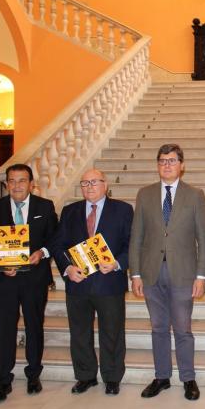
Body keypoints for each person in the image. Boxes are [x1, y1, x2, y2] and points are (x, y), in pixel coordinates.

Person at [129, 144, 205, 401]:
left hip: (184, 274)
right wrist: (135, 274)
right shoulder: (144, 194)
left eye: (172, 160)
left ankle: (188, 378)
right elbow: (136, 237)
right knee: (158, 328)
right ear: (157, 165)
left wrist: (201, 276)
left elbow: (204, 239)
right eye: (162, 160)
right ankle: (162, 376)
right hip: (151, 273)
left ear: (182, 165)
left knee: (183, 329)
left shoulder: (195, 195)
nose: (167, 165)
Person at [50, 169, 133, 396]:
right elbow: (58, 245)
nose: (89, 186)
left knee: (112, 332)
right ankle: (86, 376)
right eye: (84, 183)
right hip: (78, 283)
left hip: (109, 282)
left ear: (105, 184)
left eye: (94, 182)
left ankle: (112, 377)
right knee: (79, 332)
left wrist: (117, 263)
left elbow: (131, 244)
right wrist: (67, 268)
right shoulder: (70, 211)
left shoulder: (123, 210)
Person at [0, 164, 57, 404]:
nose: (16, 185)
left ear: (31, 183)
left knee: (34, 326)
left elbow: (54, 239)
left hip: (34, 280)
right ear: (6, 184)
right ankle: (3, 379)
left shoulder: (44, 207)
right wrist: (2, 263)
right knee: (4, 329)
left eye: (22, 180)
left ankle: (33, 374)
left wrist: (42, 253)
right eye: (12, 181)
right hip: (5, 281)